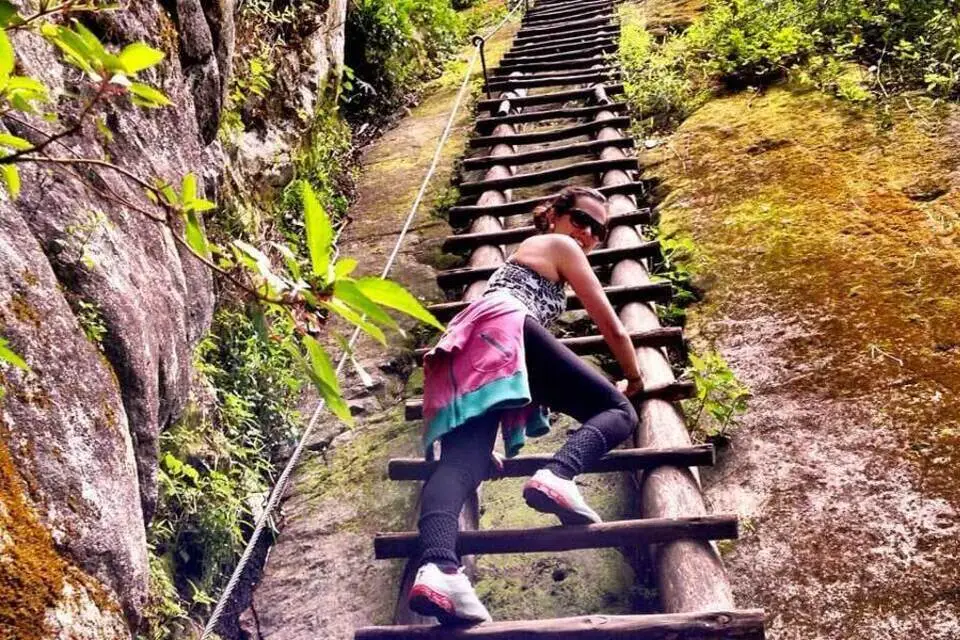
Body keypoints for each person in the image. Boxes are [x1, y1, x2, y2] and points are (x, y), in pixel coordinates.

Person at [408, 186, 645, 625]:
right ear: (555, 214)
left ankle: (438, 567)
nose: (588, 234)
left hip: (471, 339)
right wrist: (634, 378)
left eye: (599, 229)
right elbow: (611, 325)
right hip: (506, 324)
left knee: (461, 465)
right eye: (581, 220)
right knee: (618, 412)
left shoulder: (529, 256)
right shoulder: (559, 245)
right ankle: (558, 474)